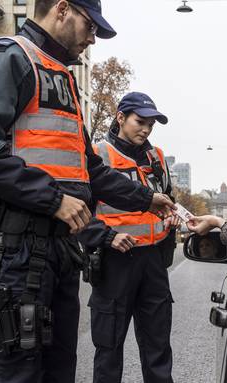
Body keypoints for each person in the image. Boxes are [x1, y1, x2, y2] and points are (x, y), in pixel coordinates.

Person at [0, 1, 174, 382]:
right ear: (62, 9)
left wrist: (146, 199)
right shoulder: (12, 59)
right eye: (90, 27)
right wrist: (53, 199)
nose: (92, 38)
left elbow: (90, 172)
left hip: (62, 252)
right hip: (21, 249)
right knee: (15, 370)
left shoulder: (65, 80)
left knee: (58, 369)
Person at [77, 92, 178, 383]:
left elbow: (168, 200)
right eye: (140, 121)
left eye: (151, 124)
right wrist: (107, 237)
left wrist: (172, 216)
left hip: (153, 263)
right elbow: (79, 211)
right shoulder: (98, 155)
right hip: (113, 263)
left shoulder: (157, 157)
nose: (146, 129)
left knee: (158, 349)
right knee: (108, 352)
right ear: (121, 118)